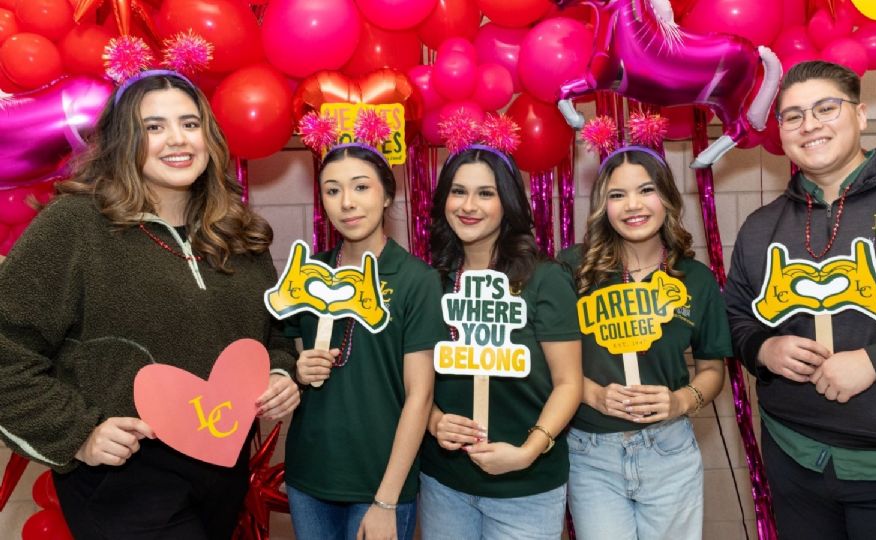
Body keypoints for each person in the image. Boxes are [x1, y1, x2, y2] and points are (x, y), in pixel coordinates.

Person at [0, 70, 300, 538]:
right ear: (123, 141)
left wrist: (281, 373)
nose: (176, 140)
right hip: (125, 478)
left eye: (189, 123)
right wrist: (78, 434)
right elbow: (6, 348)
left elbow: (273, 333)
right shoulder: (75, 226)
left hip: (222, 468)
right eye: (153, 127)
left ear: (209, 136)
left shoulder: (238, 234)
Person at [725, 60, 876, 539]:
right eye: (793, 116)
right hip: (794, 461)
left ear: (862, 114)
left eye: (825, 108)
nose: (809, 124)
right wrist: (763, 350)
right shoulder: (759, 227)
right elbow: (736, 316)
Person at [557, 145, 729, 539]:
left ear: (667, 196)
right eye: (617, 195)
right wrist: (591, 394)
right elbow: (549, 362)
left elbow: (712, 368)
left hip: (669, 450)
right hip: (590, 453)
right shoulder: (571, 270)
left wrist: (680, 401)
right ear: (603, 205)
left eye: (646, 190)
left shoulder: (695, 280)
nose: (633, 205)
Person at [417, 146, 582, 539]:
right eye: (458, 192)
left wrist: (528, 451)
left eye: (486, 193)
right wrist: (436, 421)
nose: (468, 205)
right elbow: (413, 380)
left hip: (527, 488)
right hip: (445, 484)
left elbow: (569, 384)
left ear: (507, 203)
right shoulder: (432, 282)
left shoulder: (545, 279)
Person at [284, 143, 446, 540]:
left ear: (386, 194)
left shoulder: (416, 280)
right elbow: (286, 355)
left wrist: (387, 500)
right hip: (310, 474)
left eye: (361, 187)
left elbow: (420, 396)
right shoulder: (310, 273)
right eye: (332, 190)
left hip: (380, 481)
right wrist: (296, 369)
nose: (347, 204)